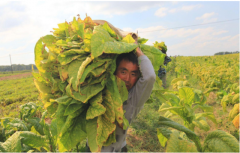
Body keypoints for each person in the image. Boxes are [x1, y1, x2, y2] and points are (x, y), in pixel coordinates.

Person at [86, 41, 156, 152]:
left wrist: (136, 48)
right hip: (91, 148)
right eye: (123, 72)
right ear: (114, 70)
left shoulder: (134, 98)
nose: (127, 79)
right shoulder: (98, 89)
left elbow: (150, 76)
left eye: (133, 74)